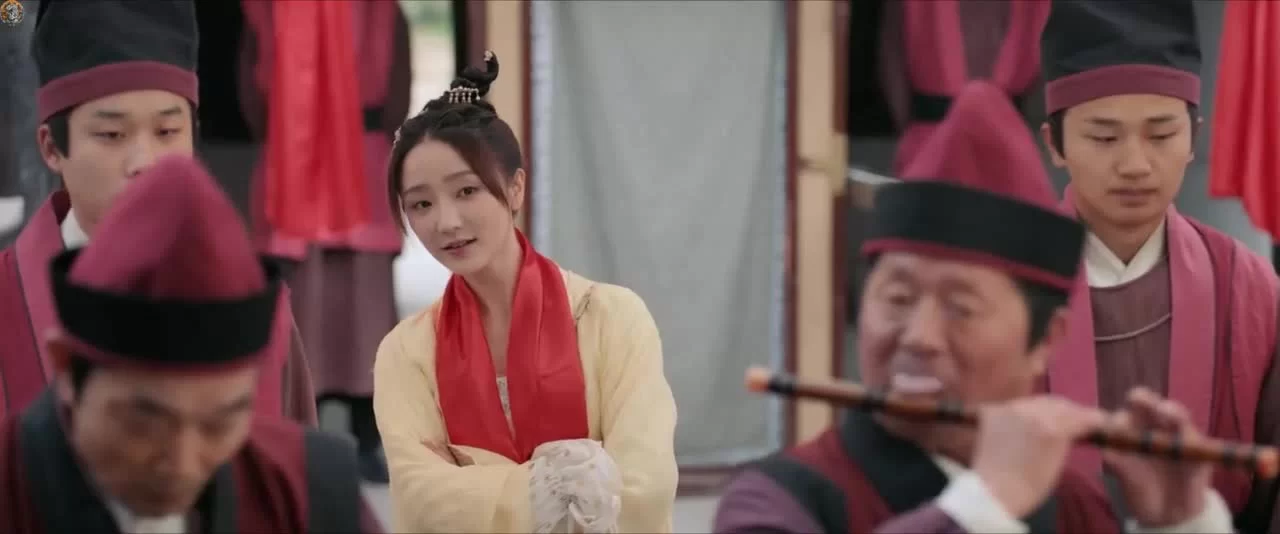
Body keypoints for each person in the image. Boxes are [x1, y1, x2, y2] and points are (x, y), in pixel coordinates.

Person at [712, 178, 1235, 533]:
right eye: (897, 298)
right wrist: (985, 505)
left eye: (960, 309)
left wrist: (1180, 523)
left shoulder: (1073, 505)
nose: (919, 337)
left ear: (1046, 341)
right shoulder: (776, 501)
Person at [372, 52, 679, 533]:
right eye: (422, 204)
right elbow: (420, 498)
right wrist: (562, 484)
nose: (446, 221)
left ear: (515, 188)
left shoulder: (612, 318)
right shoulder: (405, 352)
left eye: (467, 191)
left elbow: (645, 483)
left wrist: (475, 479)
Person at [0, 154, 381, 533]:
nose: (182, 465)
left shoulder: (314, 494)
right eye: (145, 421)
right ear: (66, 367)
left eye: (220, 423)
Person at [0, 0, 316, 424]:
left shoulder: (258, 309)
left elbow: (292, 458)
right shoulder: (6, 303)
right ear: (52, 147)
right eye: (112, 134)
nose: (144, 162)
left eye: (167, 131)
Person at [1038, 0, 1280, 528]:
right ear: (1055, 143)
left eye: (1162, 134)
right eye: (1104, 137)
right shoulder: (1009, 285)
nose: (1135, 164)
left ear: (1194, 137)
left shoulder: (1250, 287)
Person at [238, 0, 412, 482]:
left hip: (292, 162)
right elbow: (398, 96)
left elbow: (251, 97)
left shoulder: (269, 9)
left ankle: (296, 436)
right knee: (365, 308)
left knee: (302, 306)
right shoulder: (382, 10)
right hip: (362, 159)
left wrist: (291, 131)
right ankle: (366, 439)